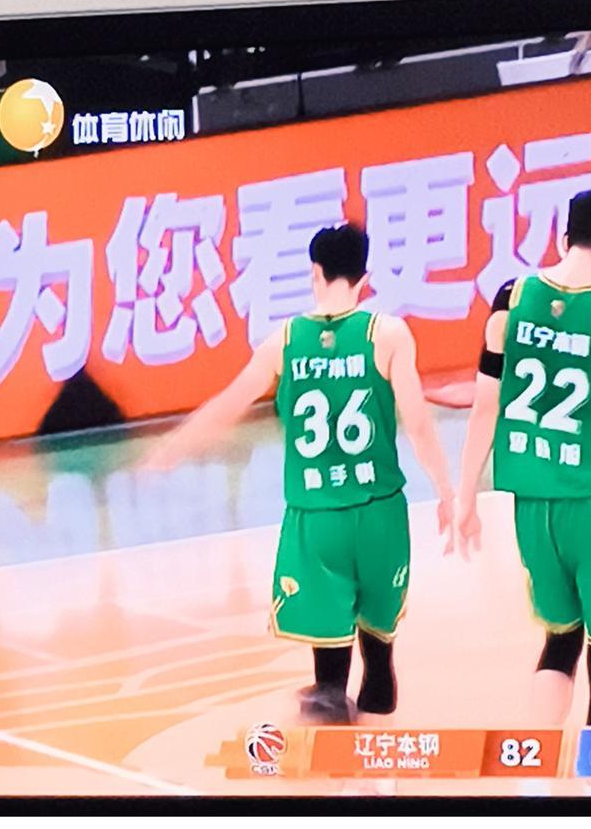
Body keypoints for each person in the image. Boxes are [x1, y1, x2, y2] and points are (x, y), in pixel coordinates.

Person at [143, 223, 456, 723]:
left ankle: (334, 740)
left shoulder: (283, 341)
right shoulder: (389, 334)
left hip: (316, 517)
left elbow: (230, 404)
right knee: (379, 663)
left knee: (328, 672)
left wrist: (174, 447)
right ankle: (378, 762)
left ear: (315, 273)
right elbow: (417, 423)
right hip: (378, 513)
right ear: (365, 278)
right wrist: (446, 490)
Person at [456, 187, 591, 729]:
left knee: (559, 642)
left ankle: (537, 762)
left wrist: (464, 498)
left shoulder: (511, 296)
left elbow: (484, 406)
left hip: (534, 508)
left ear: (564, 236)